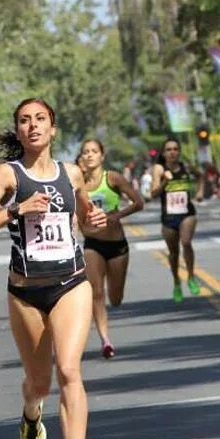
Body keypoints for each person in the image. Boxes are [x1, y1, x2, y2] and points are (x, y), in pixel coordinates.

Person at [0, 98, 107, 439]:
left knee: (69, 370)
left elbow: (83, 215)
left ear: (54, 128)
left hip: (71, 284)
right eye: (24, 121)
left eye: (40, 119)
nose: (32, 126)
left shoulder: (72, 173)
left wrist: (93, 219)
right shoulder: (9, 175)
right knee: (39, 382)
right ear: (19, 130)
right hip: (26, 292)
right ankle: (30, 410)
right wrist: (16, 210)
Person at [79, 139, 144, 358]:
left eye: (94, 151)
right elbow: (76, 215)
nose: (89, 155)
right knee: (96, 293)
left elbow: (138, 202)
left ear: (102, 156)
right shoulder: (79, 186)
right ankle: (105, 340)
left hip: (117, 245)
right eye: (85, 152)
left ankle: (113, 305)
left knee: (115, 298)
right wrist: (83, 229)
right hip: (93, 244)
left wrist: (117, 215)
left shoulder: (113, 178)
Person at [150, 137, 204, 302]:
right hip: (168, 217)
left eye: (175, 149)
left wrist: (200, 191)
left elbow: (200, 175)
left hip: (187, 212)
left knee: (186, 242)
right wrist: (165, 181)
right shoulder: (159, 169)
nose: (172, 152)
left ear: (179, 152)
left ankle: (191, 276)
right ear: (163, 153)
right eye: (169, 149)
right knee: (173, 253)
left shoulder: (186, 166)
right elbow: (153, 193)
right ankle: (176, 281)